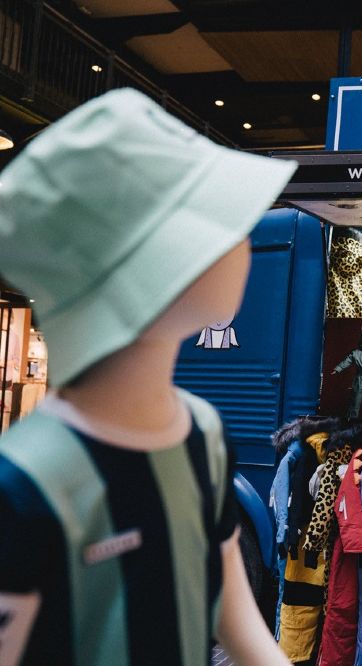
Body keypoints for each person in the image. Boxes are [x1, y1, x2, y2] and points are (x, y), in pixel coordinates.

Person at [0, 88, 294, 664]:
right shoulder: (26, 485)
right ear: (143, 265)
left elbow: (235, 619)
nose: (242, 240)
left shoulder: (201, 433)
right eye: (209, 220)